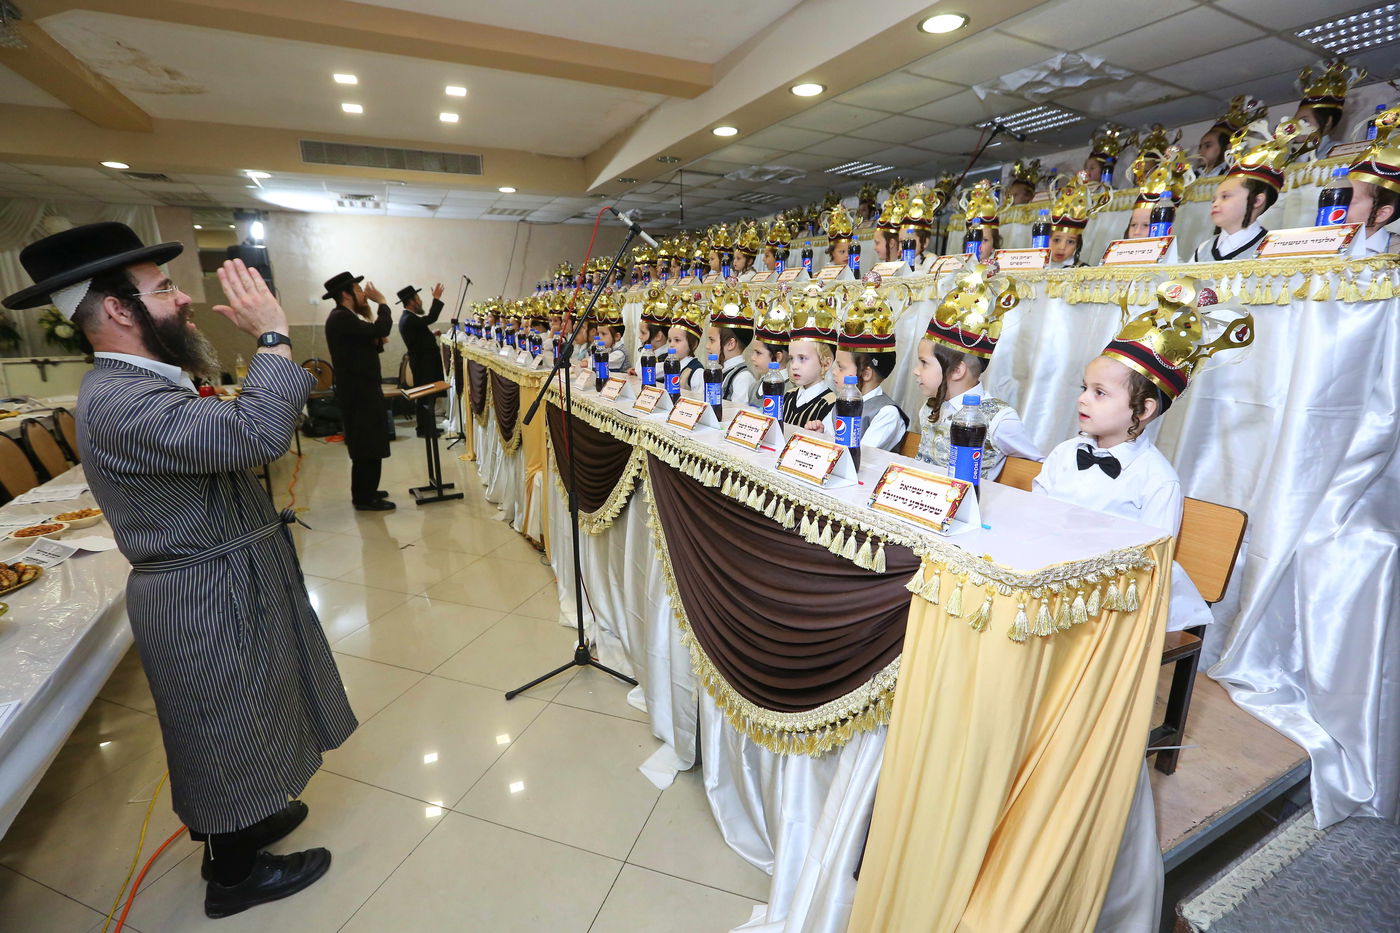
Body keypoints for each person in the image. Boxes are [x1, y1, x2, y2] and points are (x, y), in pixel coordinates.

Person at [2, 224, 357, 917]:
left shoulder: (145, 381)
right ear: (115, 310)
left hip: (225, 573)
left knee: (249, 707)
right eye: (161, 289)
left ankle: (248, 822)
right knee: (223, 725)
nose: (183, 299)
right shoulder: (121, 398)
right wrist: (275, 336)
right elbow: (256, 433)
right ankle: (233, 873)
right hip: (202, 591)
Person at [916, 262, 1041, 478]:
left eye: (924, 363)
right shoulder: (930, 407)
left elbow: (1035, 469)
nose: (916, 371)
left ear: (956, 371)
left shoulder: (999, 419)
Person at [1192, 119, 1317, 262]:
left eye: (1225, 197)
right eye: (1214, 199)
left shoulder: (1274, 249)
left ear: (1257, 200)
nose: (1215, 203)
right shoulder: (1203, 249)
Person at [324, 270, 395, 511]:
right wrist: (382, 302)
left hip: (363, 389)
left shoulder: (348, 316)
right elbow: (381, 329)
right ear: (346, 293)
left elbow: (371, 343)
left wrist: (371, 323)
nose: (363, 294)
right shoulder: (340, 318)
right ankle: (364, 497)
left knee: (371, 441)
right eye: (357, 290)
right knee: (366, 443)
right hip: (358, 393)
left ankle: (368, 489)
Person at [813, 273, 908, 451]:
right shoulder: (840, 404)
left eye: (841, 367)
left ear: (865, 373)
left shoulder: (886, 413)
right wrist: (819, 433)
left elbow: (858, 453)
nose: (834, 372)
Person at [1347, 106, 1400, 256]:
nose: (1336, 207)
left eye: (1349, 201)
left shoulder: (1395, 255)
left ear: (1381, 213)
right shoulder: (1319, 245)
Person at [785, 286, 839, 428]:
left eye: (802, 358)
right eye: (791, 358)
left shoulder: (831, 404)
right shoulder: (788, 396)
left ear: (826, 364)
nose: (794, 366)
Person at [397, 282, 445, 437]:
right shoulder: (409, 318)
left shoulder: (409, 318)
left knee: (427, 396)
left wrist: (431, 334)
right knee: (425, 397)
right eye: (418, 297)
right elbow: (431, 317)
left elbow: (417, 338)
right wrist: (436, 299)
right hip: (423, 364)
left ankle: (427, 427)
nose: (420, 300)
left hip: (423, 363)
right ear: (411, 301)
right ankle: (425, 429)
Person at [1294, 59, 1366, 158]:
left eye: (1304, 120)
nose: (1296, 126)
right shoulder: (1293, 156)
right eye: (1294, 121)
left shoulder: (1338, 152)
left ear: (1328, 121)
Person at [705, 281, 757, 404]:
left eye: (712, 340)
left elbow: (738, 413)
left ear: (731, 344)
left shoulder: (742, 378)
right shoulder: (721, 371)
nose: (707, 346)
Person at [1047, 172, 1111, 268]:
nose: (1062, 247)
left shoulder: (1083, 272)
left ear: (1078, 245)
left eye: (1070, 242)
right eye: (1056, 240)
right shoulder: (1034, 267)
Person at [1198, 96, 1267, 178]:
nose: (1200, 151)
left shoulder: (1238, 176)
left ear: (1229, 147)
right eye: (1200, 147)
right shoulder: (1189, 178)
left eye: (1207, 146)